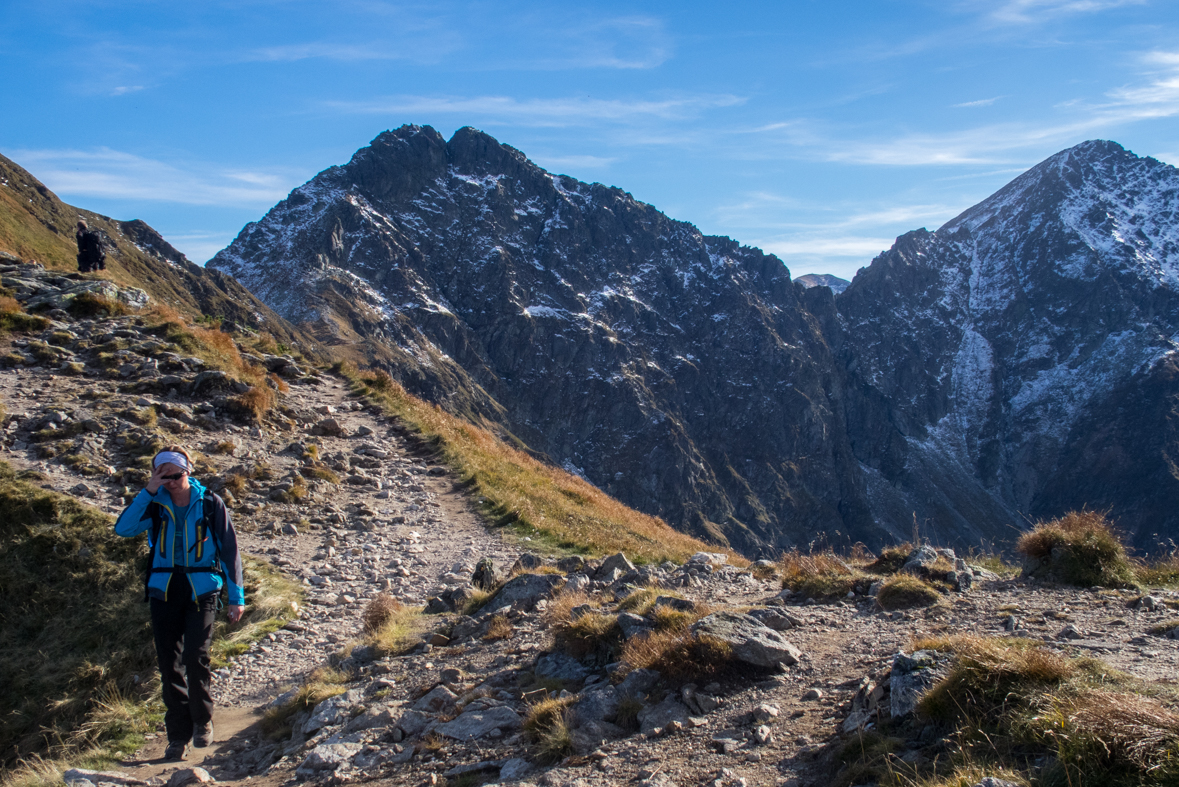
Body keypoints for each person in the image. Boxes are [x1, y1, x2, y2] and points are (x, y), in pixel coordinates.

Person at [115, 446, 244, 761]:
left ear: (189, 472)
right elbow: (123, 528)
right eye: (164, 475)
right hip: (164, 590)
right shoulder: (154, 505)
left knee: (195, 656)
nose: (171, 481)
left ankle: (203, 722)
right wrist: (148, 490)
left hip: (202, 590)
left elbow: (230, 552)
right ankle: (177, 737)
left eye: (176, 474)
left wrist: (236, 598)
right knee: (168, 664)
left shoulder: (211, 504)